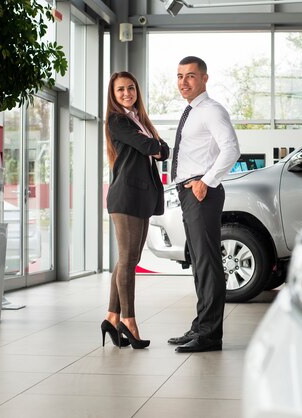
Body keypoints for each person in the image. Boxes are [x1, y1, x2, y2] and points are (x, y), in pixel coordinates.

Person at [167, 56, 240, 353]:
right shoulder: (191, 111)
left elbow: (232, 149)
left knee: (208, 263)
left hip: (202, 192)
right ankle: (201, 326)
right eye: (180, 76)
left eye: (191, 76)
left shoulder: (211, 110)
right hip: (190, 191)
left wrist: (205, 182)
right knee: (199, 263)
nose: (184, 81)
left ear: (204, 79)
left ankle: (210, 335)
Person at [102, 71, 169, 350]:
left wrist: (157, 147)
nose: (127, 93)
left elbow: (162, 150)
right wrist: (156, 147)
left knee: (128, 258)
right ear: (113, 95)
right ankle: (128, 320)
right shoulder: (117, 120)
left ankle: (111, 316)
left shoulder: (138, 120)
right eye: (121, 90)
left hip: (139, 197)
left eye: (131, 88)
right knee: (129, 261)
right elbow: (151, 146)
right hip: (126, 196)